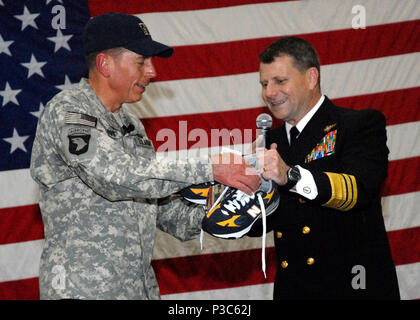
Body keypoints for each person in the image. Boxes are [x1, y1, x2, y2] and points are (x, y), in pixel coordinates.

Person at [30, 12, 259, 300]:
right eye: (141, 62)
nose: (152, 72)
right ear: (105, 64)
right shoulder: (69, 112)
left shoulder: (131, 124)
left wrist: (215, 213)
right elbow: (114, 176)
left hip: (138, 290)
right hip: (82, 291)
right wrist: (210, 168)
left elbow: (158, 206)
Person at [249, 36, 400, 299]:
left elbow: (358, 191)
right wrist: (232, 196)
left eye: (280, 81)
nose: (269, 93)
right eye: (264, 83)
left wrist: (291, 176)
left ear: (311, 78)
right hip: (293, 291)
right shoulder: (268, 142)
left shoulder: (359, 125)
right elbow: (262, 224)